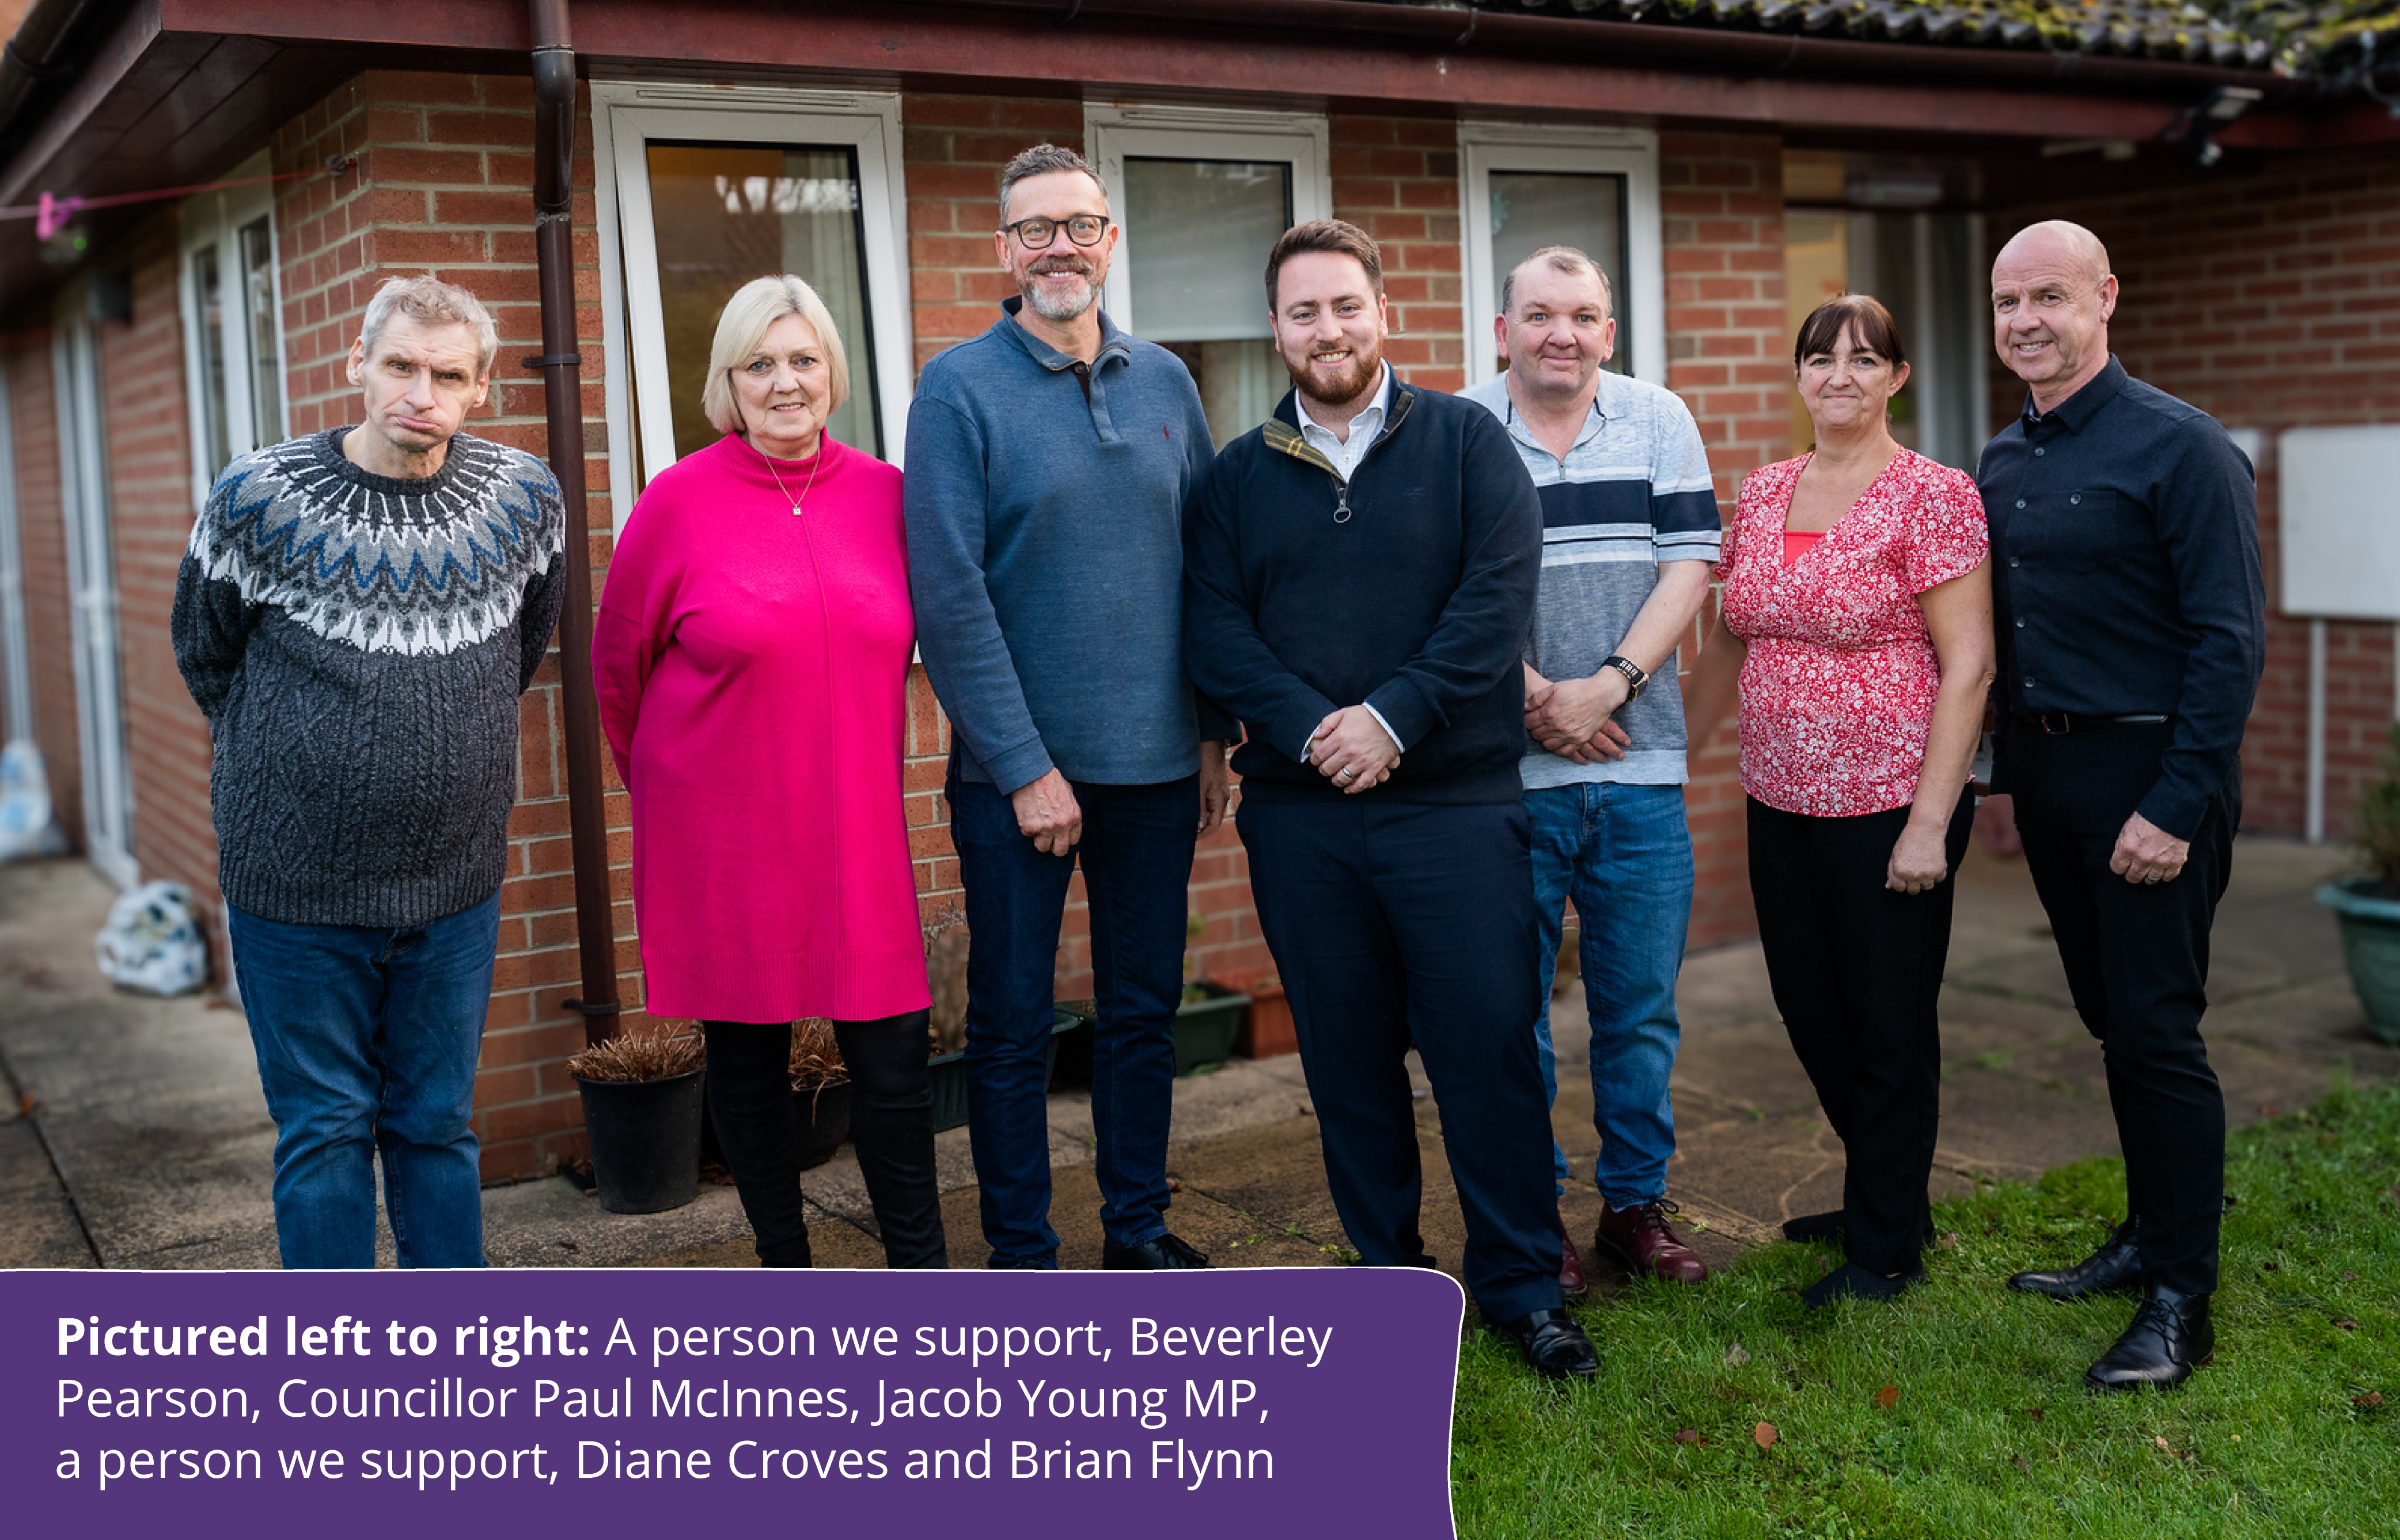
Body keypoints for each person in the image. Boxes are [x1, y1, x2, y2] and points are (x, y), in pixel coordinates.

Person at [1184, 219, 1597, 1379]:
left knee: (1487, 1052)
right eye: (1304, 311)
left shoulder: (1467, 443)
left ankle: (1521, 1282)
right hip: (1305, 819)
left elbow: (1493, 600)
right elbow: (1213, 626)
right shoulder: (1233, 478)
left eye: (1345, 306)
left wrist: (1392, 717)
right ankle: (1389, 1272)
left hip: (1455, 808)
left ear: (1383, 314)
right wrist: (1323, 728)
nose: (1328, 329)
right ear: (1276, 329)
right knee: (1347, 1058)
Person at [170, 275, 565, 1268]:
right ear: (358, 364)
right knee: (325, 1134)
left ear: (478, 390)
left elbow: (518, 652)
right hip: (295, 890)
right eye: (399, 365)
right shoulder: (257, 497)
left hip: (453, 885)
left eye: (446, 375)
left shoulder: (526, 500)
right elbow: (204, 653)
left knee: (434, 1126)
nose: (418, 393)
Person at [905, 144, 1230, 1272]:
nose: (1058, 246)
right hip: (1015, 778)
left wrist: (1210, 731)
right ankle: (1022, 1255)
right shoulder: (957, 388)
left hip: (1153, 764)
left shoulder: (1168, 384)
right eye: (1034, 228)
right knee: (1009, 1027)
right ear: (1003, 249)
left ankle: (1135, 1230)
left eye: (1078, 225)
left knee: (1143, 1015)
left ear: (1109, 242)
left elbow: (1206, 566)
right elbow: (947, 596)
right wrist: (1022, 765)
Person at [593, 275, 945, 1269]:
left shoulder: (890, 496)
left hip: (857, 828)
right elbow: (619, 672)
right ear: (728, 384)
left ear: (832, 371)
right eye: (759, 364)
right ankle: (784, 1265)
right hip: (726, 826)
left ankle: (923, 1277)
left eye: (802, 359)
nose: (784, 383)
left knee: (892, 1062)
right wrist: (673, 790)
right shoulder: (677, 503)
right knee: (745, 1061)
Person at [1980, 221, 2263, 1389]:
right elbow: (2010, 636)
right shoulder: (2002, 457)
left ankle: (2180, 1300)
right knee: (2112, 1023)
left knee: (2157, 1030)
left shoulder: (2182, 448)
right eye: (2006, 302)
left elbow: (2230, 640)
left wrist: (2177, 801)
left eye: (2048, 296)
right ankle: (2146, 1235)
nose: (2025, 321)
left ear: (2103, 296)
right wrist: (2004, 775)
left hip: (2150, 776)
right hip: (2049, 778)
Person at [1685, 294, 1993, 1309]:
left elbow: (1970, 667)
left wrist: (1927, 823)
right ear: (1799, 376)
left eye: (1864, 360)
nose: (1840, 378)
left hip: (1887, 805)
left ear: (1897, 377)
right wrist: (1678, 747)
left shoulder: (1933, 495)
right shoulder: (1765, 489)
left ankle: (1884, 1250)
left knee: (1887, 1025)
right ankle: (1889, 1195)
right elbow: (1732, 636)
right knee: (1810, 1009)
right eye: (1820, 360)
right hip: (1778, 798)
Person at [1461, 246, 1719, 1295]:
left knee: (1638, 1005)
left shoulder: (1658, 417)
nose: (1559, 332)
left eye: (1581, 315)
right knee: (1505, 1009)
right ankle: (1533, 1212)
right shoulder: (1458, 429)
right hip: (1499, 777)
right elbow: (1443, 586)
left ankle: (1632, 1206)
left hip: (1639, 762)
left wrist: (1606, 685)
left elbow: (1691, 562)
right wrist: (1534, 696)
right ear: (1502, 328)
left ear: (1608, 330)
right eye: (1538, 314)